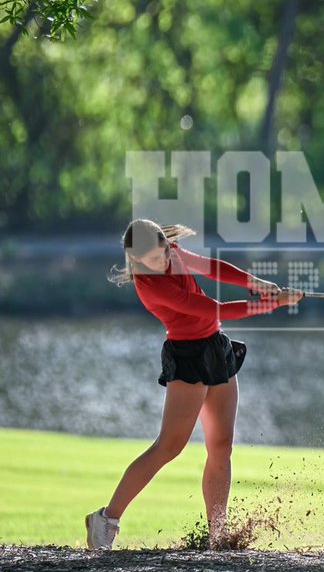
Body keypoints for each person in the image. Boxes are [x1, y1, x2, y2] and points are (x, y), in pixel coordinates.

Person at [85, 218, 303, 550]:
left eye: (164, 254)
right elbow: (212, 310)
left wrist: (255, 282)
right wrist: (272, 302)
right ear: (138, 260)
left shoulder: (171, 252)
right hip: (187, 357)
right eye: (153, 260)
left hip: (215, 347)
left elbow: (213, 268)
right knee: (169, 447)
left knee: (221, 446)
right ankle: (106, 519)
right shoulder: (150, 284)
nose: (163, 262)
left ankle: (218, 534)